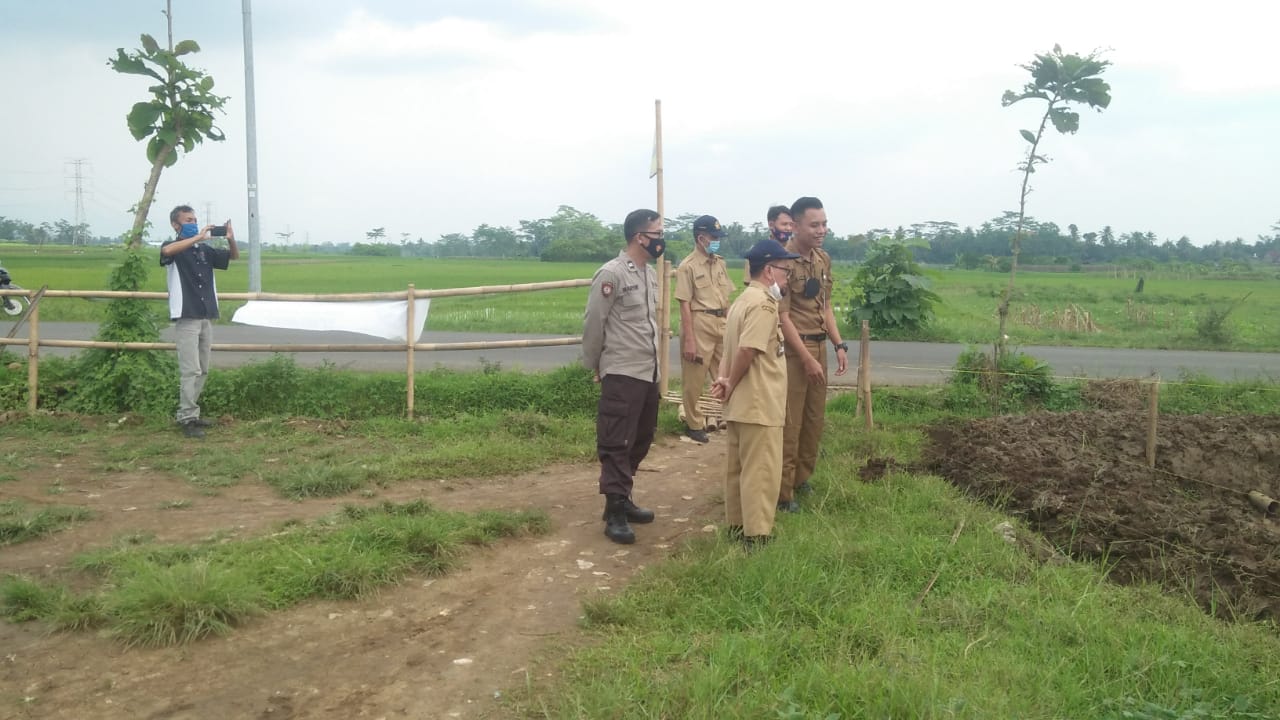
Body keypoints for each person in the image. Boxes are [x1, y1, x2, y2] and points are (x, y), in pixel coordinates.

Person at [582, 208, 664, 544]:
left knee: (642, 437)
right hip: (622, 370)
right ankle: (614, 510)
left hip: (648, 370)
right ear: (640, 237)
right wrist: (595, 364)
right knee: (617, 440)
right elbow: (594, 322)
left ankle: (623, 495)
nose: (662, 240)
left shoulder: (650, 274)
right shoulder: (611, 273)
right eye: (658, 234)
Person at [712, 238, 799, 548]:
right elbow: (747, 349)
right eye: (785, 270)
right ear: (769, 270)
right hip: (759, 401)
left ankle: (737, 527)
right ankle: (757, 535)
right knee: (761, 471)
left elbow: (729, 349)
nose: (787, 278)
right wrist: (731, 382)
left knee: (737, 469)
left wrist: (725, 381)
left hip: (741, 404)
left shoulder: (742, 300)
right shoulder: (763, 304)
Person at [777, 196, 848, 512]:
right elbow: (783, 316)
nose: (822, 230)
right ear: (795, 226)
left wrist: (838, 344)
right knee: (790, 422)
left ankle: (801, 477)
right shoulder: (782, 262)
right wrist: (806, 358)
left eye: (824, 224)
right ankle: (783, 492)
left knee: (814, 418)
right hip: (795, 353)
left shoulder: (822, 259)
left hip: (819, 347)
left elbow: (826, 306)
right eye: (814, 225)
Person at [160, 205, 239, 439]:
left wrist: (230, 238)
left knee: (202, 369)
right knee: (190, 370)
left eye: (195, 220)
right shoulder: (173, 249)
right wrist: (197, 236)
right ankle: (186, 418)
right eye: (188, 220)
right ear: (175, 225)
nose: (194, 223)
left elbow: (233, 257)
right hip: (187, 316)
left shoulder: (204, 250)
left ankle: (191, 414)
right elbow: (167, 251)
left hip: (205, 315)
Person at [674, 214, 734, 444]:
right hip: (699, 324)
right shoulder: (687, 266)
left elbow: (726, 298)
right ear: (701, 238)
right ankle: (694, 424)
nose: (717, 241)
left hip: (721, 323)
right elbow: (684, 304)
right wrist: (689, 340)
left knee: (727, 373)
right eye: (713, 237)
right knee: (694, 379)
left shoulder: (720, 263)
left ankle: (732, 417)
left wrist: (731, 325)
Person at [744, 205, 795, 286]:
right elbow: (751, 285)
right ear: (771, 225)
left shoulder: (796, 251)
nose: (788, 228)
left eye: (791, 225)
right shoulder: (757, 252)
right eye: (784, 224)